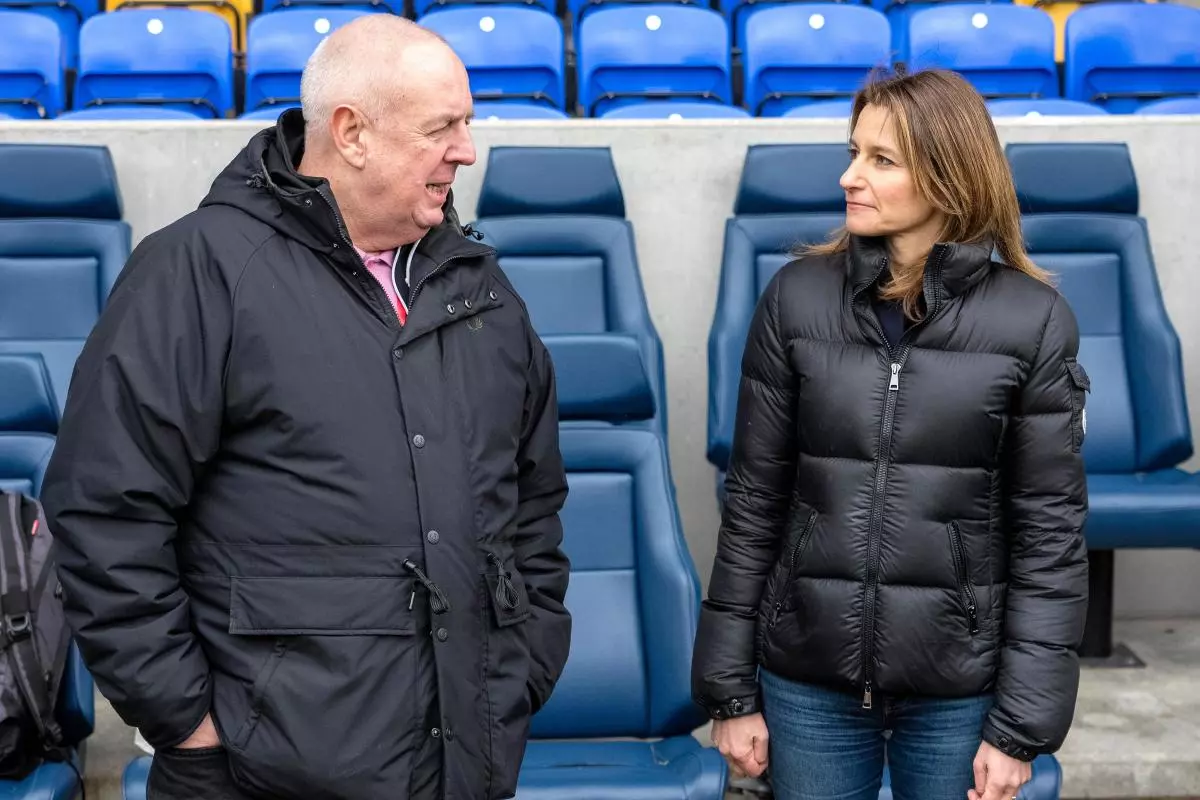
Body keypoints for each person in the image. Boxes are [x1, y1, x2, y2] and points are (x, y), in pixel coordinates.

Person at [40, 15, 572, 800]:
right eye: (443, 126)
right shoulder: (199, 272)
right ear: (352, 133)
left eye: (468, 122)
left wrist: (523, 669)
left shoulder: (481, 291)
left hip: (465, 768)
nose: (466, 148)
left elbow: (534, 503)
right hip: (255, 776)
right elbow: (103, 512)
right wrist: (187, 724)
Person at [690, 67, 1089, 800]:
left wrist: (1020, 726)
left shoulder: (1032, 321)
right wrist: (730, 692)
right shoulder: (795, 299)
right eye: (853, 151)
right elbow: (753, 505)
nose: (849, 176)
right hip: (807, 680)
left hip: (960, 689)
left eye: (881, 159)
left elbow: (1049, 537)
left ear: (948, 174)